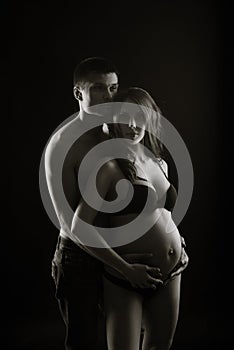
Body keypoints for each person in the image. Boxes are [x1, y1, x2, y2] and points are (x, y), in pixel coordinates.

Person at [45, 58, 163, 350]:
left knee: (126, 338)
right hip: (79, 257)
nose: (108, 97)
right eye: (98, 89)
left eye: (113, 88)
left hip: (118, 247)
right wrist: (124, 268)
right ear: (78, 93)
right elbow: (69, 224)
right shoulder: (63, 144)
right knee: (84, 342)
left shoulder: (113, 130)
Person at [70, 87, 189, 350]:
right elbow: (78, 226)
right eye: (125, 117)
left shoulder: (158, 162)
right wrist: (126, 269)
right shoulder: (108, 167)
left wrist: (176, 242)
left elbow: (162, 213)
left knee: (160, 346)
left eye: (140, 117)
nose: (134, 125)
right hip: (125, 276)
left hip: (172, 270)